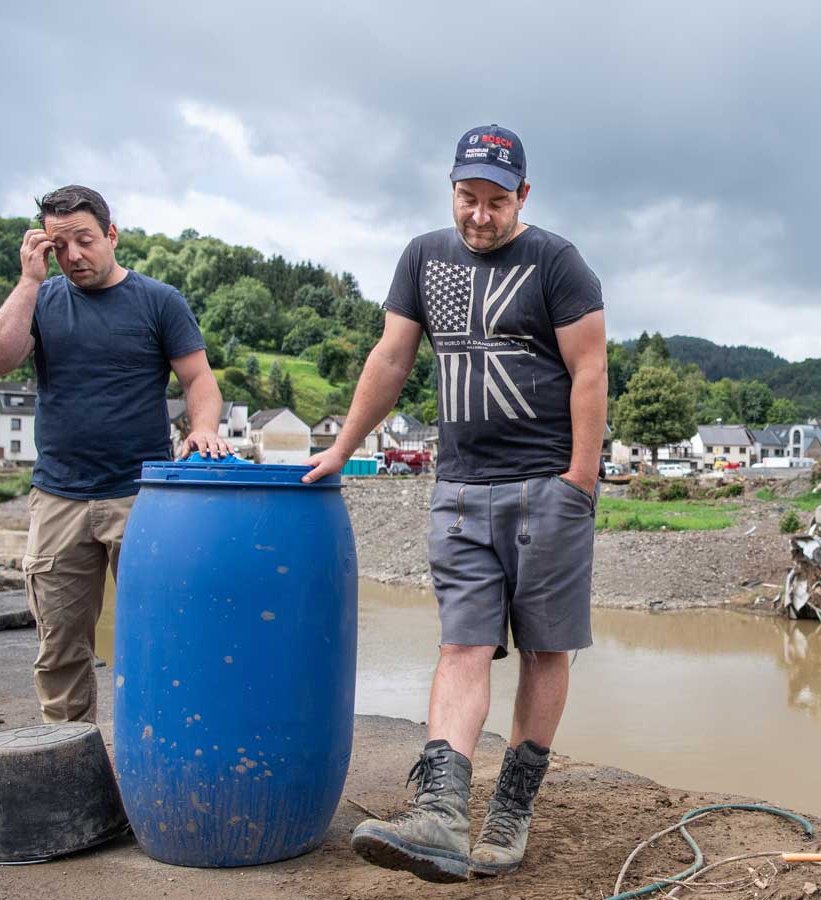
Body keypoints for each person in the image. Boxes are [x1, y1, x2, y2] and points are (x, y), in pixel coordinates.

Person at [303, 124, 607, 882]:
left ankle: (512, 804)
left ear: (523, 197)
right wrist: (342, 448)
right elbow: (392, 357)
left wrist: (581, 481)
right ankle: (440, 811)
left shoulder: (557, 262)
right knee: (462, 643)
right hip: (460, 487)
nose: (479, 215)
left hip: (547, 487)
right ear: (451, 190)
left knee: (544, 647)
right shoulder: (423, 257)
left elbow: (591, 369)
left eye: (495, 201)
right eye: (467, 198)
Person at [0, 185, 230, 723]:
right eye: (58, 245)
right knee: (60, 649)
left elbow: (199, 380)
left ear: (111, 235)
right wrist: (28, 280)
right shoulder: (40, 300)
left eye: (84, 241)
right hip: (58, 498)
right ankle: (74, 775)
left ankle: (162, 763)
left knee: (165, 635)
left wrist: (202, 429)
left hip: (141, 498)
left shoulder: (159, 301)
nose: (73, 257)